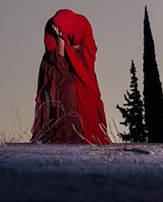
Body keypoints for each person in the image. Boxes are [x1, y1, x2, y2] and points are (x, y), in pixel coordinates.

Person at [31, 9, 111, 144]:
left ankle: (81, 131)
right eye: (55, 26)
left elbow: (89, 52)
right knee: (66, 86)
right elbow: (57, 59)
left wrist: (74, 50)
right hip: (55, 66)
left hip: (81, 69)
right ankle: (63, 131)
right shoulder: (50, 27)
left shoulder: (83, 24)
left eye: (59, 27)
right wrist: (61, 40)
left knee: (81, 89)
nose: (55, 28)